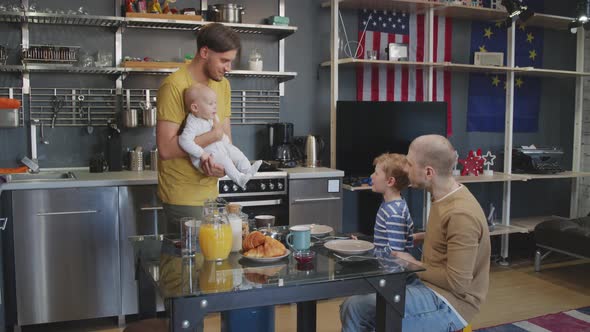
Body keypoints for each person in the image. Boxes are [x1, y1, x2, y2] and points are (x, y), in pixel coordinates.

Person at [341, 135, 491, 332]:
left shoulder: (460, 214)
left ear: (428, 172)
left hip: (450, 302)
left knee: (356, 309)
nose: (405, 169)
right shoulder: (444, 196)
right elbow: (448, 239)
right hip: (427, 284)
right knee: (358, 302)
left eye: (409, 164)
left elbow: (458, 284)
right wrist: (422, 237)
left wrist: (410, 263)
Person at [156, 22, 239, 227]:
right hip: (182, 196)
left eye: (231, 62)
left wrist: (223, 167)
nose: (228, 68)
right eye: (224, 61)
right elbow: (165, 149)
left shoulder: (223, 86)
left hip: (211, 195)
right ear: (204, 52)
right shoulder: (174, 85)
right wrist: (213, 136)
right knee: (189, 259)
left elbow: (226, 136)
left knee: (213, 258)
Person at [179, 84, 262, 189]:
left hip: (219, 147)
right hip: (207, 156)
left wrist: (227, 144)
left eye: (215, 103)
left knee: (236, 152)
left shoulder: (210, 116)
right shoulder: (192, 122)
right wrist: (202, 154)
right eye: (210, 103)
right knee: (226, 160)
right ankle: (239, 180)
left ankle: (247, 169)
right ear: (195, 108)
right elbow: (184, 141)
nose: (215, 106)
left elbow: (220, 133)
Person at [370, 153, 414, 252]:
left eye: (376, 173)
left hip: (390, 267)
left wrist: (369, 251)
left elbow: (396, 252)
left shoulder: (394, 212)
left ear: (390, 181)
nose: (371, 176)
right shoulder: (390, 204)